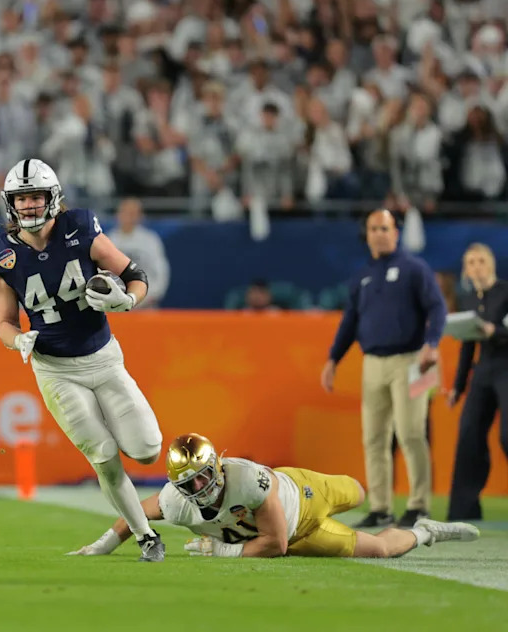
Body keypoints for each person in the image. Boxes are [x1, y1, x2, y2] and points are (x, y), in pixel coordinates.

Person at [0, 158, 165, 562]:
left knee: (149, 449)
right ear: (10, 204)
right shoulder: (0, 255)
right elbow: (4, 322)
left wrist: (126, 299)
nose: (29, 206)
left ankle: (142, 518)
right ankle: (145, 535)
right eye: (22, 198)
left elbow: (138, 276)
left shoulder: (80, 227)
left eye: (35, 197)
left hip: (103, 358)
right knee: (103, 455)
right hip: (56, 369)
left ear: (53, 198)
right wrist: (18, 341)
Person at [67, 433, 479, 558]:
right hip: (295, 535)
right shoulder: (178, 503)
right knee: (381, 550)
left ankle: (402, 517)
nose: (198, 489)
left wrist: (221, 552)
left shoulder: (246, 481)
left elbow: (275, 542)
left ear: (217, 466)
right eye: (187, 483)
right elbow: (137, 513)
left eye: (202, 477)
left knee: (357, 491)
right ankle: (424, 532)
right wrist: (105, 545)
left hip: (303, 495)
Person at [321, 209, 447, 528]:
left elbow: (438, 307)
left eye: (385, 228)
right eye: (374, 228)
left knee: (411, 433)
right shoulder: (363, 276)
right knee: (374, 438)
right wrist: (333, 359)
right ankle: (381, 506)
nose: (380, 233)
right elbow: (350, 322)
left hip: (412, 360)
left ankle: (419, 505)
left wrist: (432, 344)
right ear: (367, 234)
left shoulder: (414, 269)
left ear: (397, 232)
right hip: (373, 363)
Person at [447, 243, 508, 520]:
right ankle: (464, 510)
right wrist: (458, 387)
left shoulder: (505, 292)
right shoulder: (469, 299)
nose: (476, 266)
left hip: (506, 369)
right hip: (482, 373)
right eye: (470, 262)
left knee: (507, 437)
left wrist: (493, 330)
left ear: (491, 264)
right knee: (468, 435)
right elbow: (468, 346)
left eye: (481, 260)